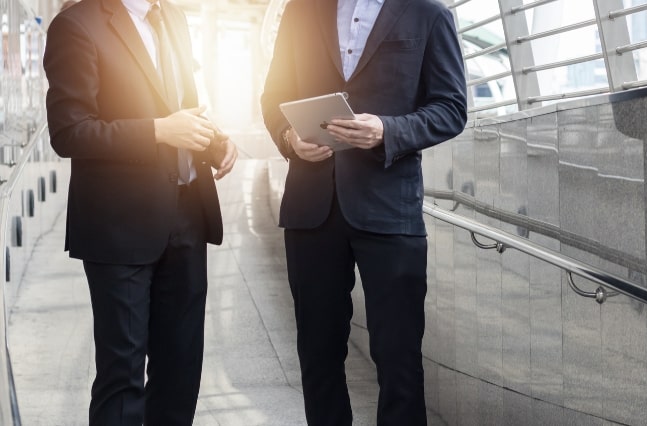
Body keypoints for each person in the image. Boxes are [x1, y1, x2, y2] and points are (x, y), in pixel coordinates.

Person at [260, 0, 466, 424]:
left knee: (399, 357)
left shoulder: (428, 13)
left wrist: (388, 129)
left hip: (390, 208)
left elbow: (451, 107)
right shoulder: (301, 11)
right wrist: (289, 139)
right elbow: (274, 97)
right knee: (318, 354)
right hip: (311, 207)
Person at [42, 0, 236, 424]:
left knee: (181, 370)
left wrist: (215, 139)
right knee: (122, 377)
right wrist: (158, 131)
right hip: (119, 226)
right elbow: (69, 131)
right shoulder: (75, 24)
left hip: (188, 214)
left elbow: (183, 104)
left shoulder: (174, 18)